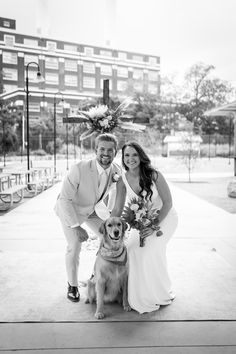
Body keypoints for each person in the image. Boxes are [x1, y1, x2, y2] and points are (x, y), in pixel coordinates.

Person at [111, 141, 178, 314]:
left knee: (149, 251)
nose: (130, 159)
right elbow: (118, 209)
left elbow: (168, 203)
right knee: (132, 250)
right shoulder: (122, 180)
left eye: (134, 155)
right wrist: (108, 231)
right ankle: (137, 296)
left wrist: (154, 225)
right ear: (123, 158)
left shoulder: (154, 175)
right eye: (127, 155)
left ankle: (156, 293)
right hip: (141, 222)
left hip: (164, 218)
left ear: (140, 156)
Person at [54, 133, 121, 302]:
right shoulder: (79, 168)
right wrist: (76, 226)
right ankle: (72, 285)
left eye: (110, 150)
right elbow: (64, 199)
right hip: (71, 210)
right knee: (74, 246)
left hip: (92, 212)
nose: (106, 153)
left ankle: (95, 277)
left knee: (109, 240)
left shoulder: (116, 171)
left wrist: (111, 215)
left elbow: (113, 193)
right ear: (95, 150)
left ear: (116, 152)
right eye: (102, 149)